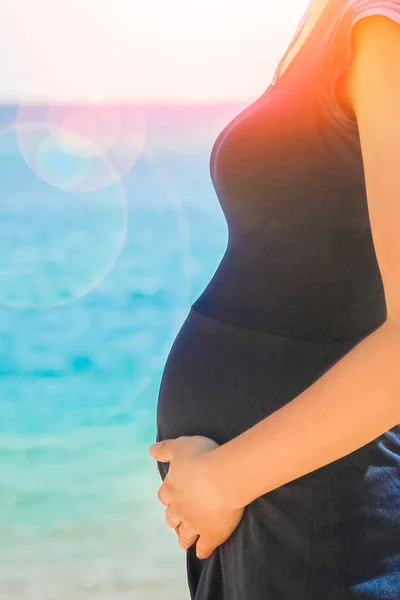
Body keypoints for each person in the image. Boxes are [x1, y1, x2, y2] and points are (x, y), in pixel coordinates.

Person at [149, 0, 400, 598]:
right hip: (276, 506)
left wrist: (225, 481)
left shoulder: (380, 31)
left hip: (321, 512)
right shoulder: (335, 18)